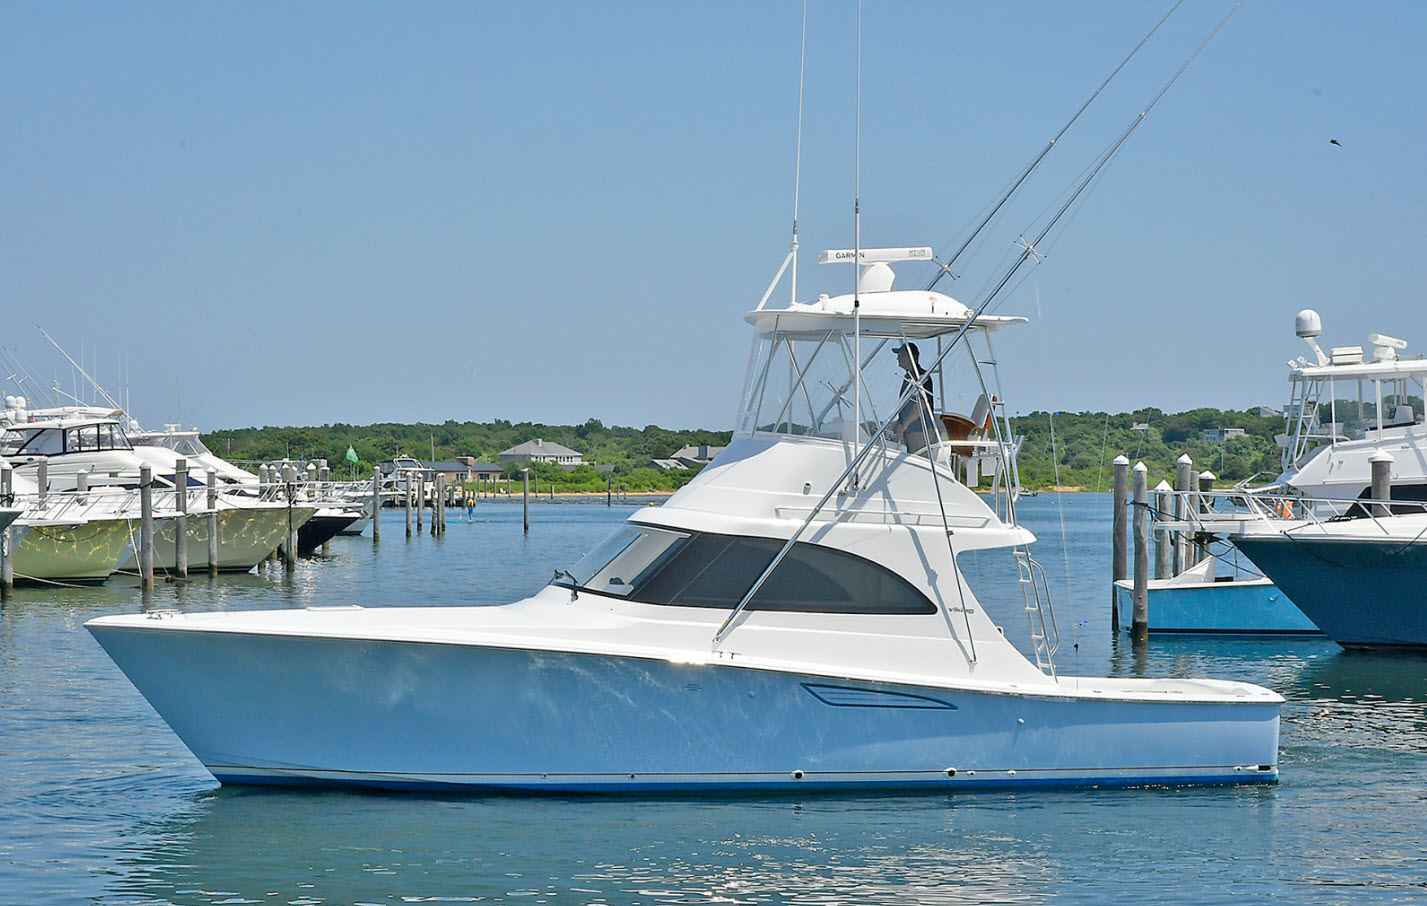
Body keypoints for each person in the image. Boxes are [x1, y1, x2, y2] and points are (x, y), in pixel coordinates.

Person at [891, 342, 936, 453]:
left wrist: (904, 425)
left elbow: (921, 403)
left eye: (900, 355)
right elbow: (907, 407)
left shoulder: (922, 377)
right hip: (910, 431)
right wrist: (898, 424)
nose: (898, 358)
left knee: (919, 460)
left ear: (911, 357)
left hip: (919, 432)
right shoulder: (909, 376)